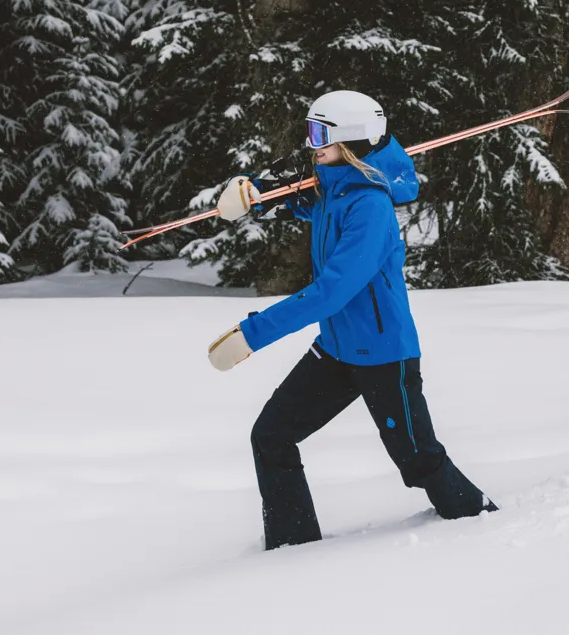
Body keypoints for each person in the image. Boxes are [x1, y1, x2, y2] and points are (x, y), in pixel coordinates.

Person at [206, 90, 497, 550]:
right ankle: (290, 549)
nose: (310, 142)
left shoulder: (370, 207)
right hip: (337, 352)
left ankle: (484, 525)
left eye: (319, 133)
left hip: (383, 355)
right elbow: (298, 198)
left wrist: (253, 334)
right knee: (271, 436)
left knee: (419, 461)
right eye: (309, 130)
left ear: (352, 140)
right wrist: (254, 194)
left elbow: (330, 292)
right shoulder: (333, 187)